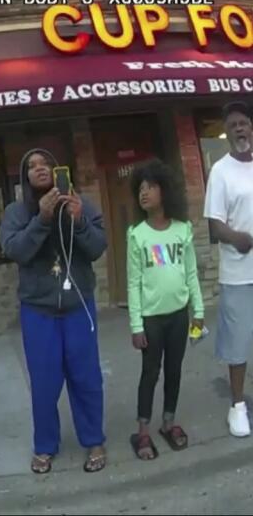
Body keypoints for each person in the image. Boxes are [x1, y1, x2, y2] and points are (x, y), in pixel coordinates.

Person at [0, 149, 108, 474]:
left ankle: (94, 440)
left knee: (86, 379)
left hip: (78, 307)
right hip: (39, 312)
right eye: (31, 166)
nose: (39, 169)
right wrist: (42, 220)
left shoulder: (82, 203)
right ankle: (45, 445)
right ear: (25, 177)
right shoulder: (16, 212)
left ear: (57, 169)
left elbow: (98, 248)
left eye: (45, 163)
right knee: (44, 383)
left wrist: (78, 223)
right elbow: (16, 251)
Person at [127, 159, 204, 459]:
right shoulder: (136, 234)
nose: (144, 193)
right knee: (150, 372)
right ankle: (143, 431)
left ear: (165, 191)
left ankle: (168, 422)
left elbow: (191, 273)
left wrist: (197, 311)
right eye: (140, 189)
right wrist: (136, 325)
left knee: (174, 371)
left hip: (178, 316)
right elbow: (133, 283)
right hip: (150, 319)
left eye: (151, 187)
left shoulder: (183, 230)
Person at [204, 101, 253, 438]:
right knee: (237, 344)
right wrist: (239, 238)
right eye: (233, 124)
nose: (239, 129)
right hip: (239, 273)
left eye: (244, 123)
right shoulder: (220, 171)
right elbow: (214, 225)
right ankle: (237, 406)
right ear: (227, 132)